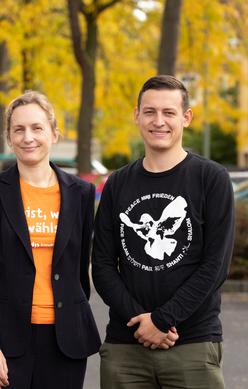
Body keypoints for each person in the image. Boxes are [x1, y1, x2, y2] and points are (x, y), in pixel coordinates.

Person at [92, 75, 235, 389]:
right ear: (137, 116)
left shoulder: (211, 178)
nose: (159, 121)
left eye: (169, 112)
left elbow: (215, 266)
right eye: (150, 112)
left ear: (186, 118)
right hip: (125, 347)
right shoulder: (117, 183)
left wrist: (162, 320)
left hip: (193, 344)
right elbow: (102, 265)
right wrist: (142, 322)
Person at [0, 90, 101, 389]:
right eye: (19, 129)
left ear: (54, 134)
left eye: (37, 128)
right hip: (5, 342)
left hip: (65, 341)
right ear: (9, 137)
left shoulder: (80, 193)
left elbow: (79, 270)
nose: (28, 137)